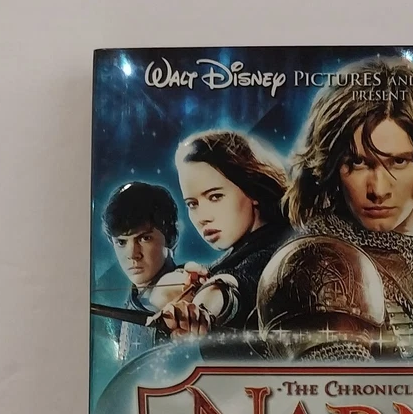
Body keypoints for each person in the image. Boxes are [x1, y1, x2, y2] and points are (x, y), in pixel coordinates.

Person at [256, 57, 413, 361]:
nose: (377, 189)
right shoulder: (319, 270)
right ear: (330, 168)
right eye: (358, 163)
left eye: (398, 161)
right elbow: (337, 390)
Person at [168, 130, 292, 334]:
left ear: (252, 190)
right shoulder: (244, 250)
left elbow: (240, 282)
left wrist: (201, 307)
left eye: (215, 197)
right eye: (192, 204)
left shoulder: (284, 248)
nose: (202, 217)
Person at [99, 182, 180, 361]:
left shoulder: (191, 295)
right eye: (121, 242)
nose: (132, 254)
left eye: (145, 238)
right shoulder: (121, 314)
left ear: (171, 237)